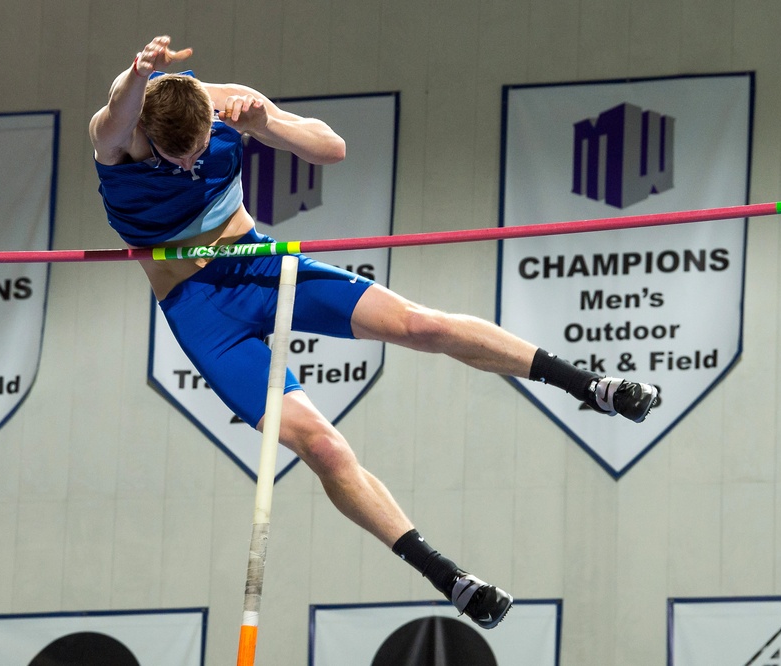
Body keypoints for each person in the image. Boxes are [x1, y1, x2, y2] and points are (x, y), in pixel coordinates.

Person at [88, 35, 658, 630]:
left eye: (199, 150)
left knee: (420, 324)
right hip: (200, 310)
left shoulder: (225, 103)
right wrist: (138, 70)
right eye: (176, 157)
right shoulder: (116, 137)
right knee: (324, 447)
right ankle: (449, 577)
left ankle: (591, 386)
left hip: (260, 266)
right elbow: (120, 107)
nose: (189, 164)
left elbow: (330, 149)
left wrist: (266, 127)